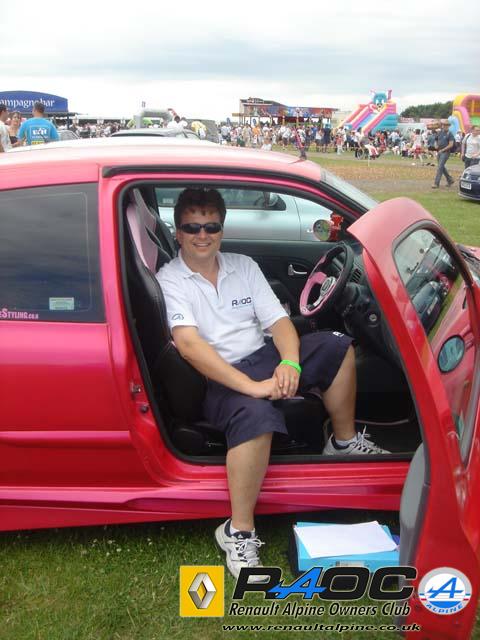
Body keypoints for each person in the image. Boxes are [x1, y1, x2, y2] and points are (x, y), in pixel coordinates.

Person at [156, 188, 389, 580]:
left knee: (336, 346)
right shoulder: (170, 279)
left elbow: (278, 322)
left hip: (261, 355)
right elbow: (190, 346)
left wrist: (289, 362)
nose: (202, 234)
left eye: (211, 226)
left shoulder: (243, 266)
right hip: (217, 373)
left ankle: (343, 442)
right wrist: (252, 387)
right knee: (256, 417)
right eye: (192, 227)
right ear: (178, 232)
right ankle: (238, 531)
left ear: (222, 229)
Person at [432, 122, 455, 189]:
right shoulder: (440, 132)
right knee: (441, 167)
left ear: (449, 126)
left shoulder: (450, 134)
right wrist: (436, 145)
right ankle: (450, 180)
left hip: (445, 152)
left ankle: (436, 183)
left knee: (440, 167)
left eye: (447, 125)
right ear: (442, 125)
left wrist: (443, 150)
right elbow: (436, 139)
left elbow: (451, 145)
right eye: (444, 125)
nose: (445, 126)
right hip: (439, 151)